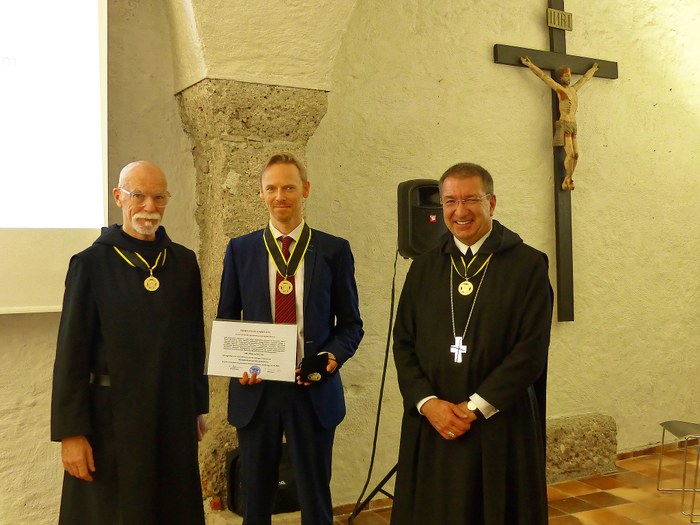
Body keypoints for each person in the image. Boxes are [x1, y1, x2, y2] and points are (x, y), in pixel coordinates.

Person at [391, 162, 553, 524]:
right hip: (434, 424)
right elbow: (403, 343)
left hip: (499, 425)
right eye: (450, 201)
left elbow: (530, 351)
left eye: (470, 200)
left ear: (491, 203)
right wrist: (427, 403)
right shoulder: (424, 268)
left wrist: (474, 407)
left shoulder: (528, 266)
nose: (459, 211)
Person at [51, 160, 209, 525]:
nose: (149, 207)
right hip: (111, 422)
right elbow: (71, 354)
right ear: (119, 197)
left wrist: (198, 405)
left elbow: (192, 344)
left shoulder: (183, 263)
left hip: (172, 414)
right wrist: (71, 433)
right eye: (138, 196)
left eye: (158, 197)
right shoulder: (91, 264)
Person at [217, 152, 363, 525]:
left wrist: (331, 357)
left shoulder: (333, 250)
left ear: (305, 190)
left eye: (289, 187)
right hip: (257, 389)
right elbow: (227, 317)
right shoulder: (241, 250)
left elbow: (350, 325)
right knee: (257, 497)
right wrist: (236, 365)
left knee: (315, 496)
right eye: (272, 188)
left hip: (312, 387)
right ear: (261, 193)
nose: (280, 196)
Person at [521, 56, 599, 190]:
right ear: (560, 78)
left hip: (573, 125)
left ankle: (569, 178)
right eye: (565, 76)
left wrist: (593, 69)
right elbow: (544, 77)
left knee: (576, 155)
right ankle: (567, 178)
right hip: (565, 124)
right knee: (570, 153)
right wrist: (530, 65)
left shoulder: (574, 90)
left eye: (569, 76)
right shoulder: (560, 90)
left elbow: (585, 79)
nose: (568, 79)